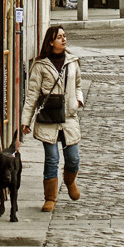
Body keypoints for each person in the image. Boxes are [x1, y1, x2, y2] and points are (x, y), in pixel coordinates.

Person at [20, 25, 85, 212]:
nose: (64, 40)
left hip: (68, 117)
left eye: (64, 36)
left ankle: (69, 181)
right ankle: (50, 198)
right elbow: (32, 94)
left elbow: (78, 84)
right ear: (51, 42)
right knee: (52, 158)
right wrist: (26, 120)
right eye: (59, 37)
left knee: (73, 158)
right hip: (48, 117)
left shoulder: (72, 62)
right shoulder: (41, 66)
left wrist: (78, 100)